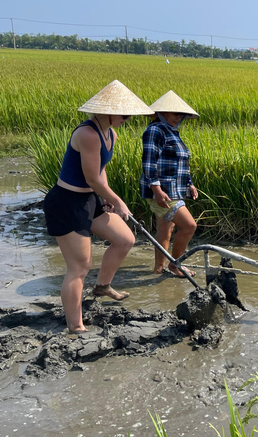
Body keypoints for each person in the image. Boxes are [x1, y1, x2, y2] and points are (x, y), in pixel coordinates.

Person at [43, 80, 155, 334]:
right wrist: (117, 201)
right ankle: (76, 326)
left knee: (125, 239)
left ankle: (103, 286)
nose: (127, 118)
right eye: (123, 113)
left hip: (90, 199)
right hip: (66, 203)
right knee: (80, 266)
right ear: (106, 110)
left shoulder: (110, 134)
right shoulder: (87, 134)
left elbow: (100, 172)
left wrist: (105, 197)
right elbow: (91, 177)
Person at [141, 90, 200, 277]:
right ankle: (176, 265)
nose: (179, 118)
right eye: (175, 114)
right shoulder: (155, 130)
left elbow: (181, 163)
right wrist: (157, 190)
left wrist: (190, 184)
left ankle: (158, 269)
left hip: (175, 190)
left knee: (166, 229)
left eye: (181, 115)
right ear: (162, 113)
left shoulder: (172, 132)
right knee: (189, 226)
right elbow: (149, 162)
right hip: (163, 191)